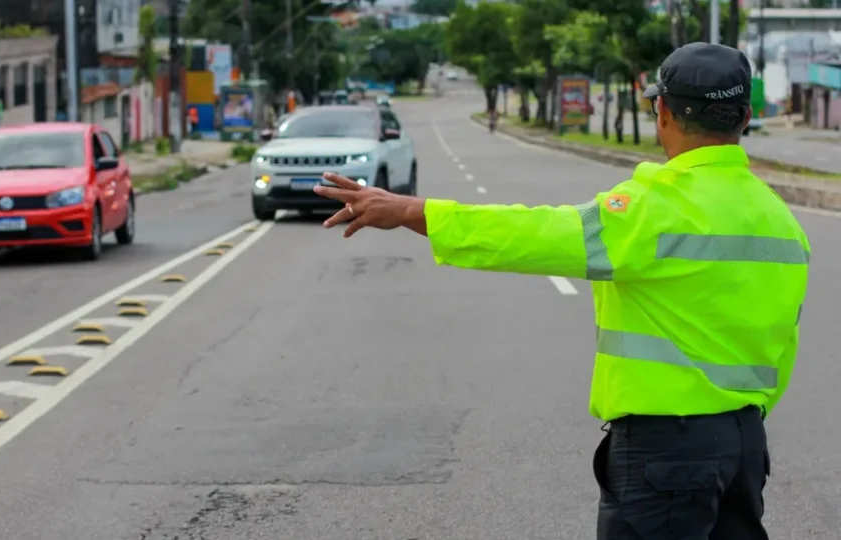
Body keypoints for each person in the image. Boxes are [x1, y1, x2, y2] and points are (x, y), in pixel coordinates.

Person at [312, 42, 809, 540]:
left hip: (667, 453)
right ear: (745, 117)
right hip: (744, 447)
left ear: (662, 113)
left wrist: (409, 212)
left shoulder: (651, 210)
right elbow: (782, 343)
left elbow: (532, 235)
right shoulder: (782, 222)